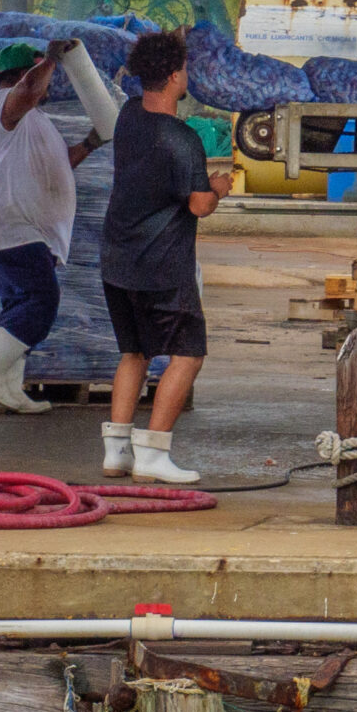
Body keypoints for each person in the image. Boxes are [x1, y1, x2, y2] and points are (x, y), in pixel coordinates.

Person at [98, 30, 233, 484]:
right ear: (176, 76)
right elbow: (198, 205)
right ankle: (154, 453)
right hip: (162, 267)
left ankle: (117, 452)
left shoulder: (128, 117)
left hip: (117, 260)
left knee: (133, 351)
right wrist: (216, 188)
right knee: (188, 353)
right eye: (185, 70)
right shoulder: (182, 139)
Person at [0, 40, 103, 415]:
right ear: (20, 76)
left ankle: (4, 392)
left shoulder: (35, 123)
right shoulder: (4, 104)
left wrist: (91, 144)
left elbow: (58, 165)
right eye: (39, 73)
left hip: (26, 231)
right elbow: (29, 89)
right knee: (41, 301)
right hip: (15, 227)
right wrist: (52, 59)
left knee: (18, 306)